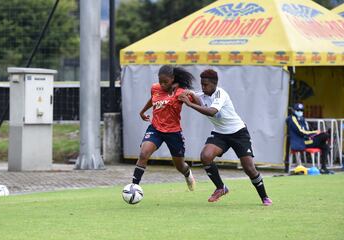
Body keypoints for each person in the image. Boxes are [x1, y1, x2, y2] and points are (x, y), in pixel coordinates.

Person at [178, 69, 272, 206]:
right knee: (205, 156)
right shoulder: (201, 95)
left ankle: (264, 197)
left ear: (214, 84)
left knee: (249, 168)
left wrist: (190, 104)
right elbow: (186, 94)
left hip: (238, 133)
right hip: (220, 134)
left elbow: (212, 112)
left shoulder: (221, 94)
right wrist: (183, 93)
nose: (203, 88)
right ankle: (221, 188)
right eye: (202, 84)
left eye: (206, 85)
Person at [131, 65, 196, 191]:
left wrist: (191, 95)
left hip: (173, 132)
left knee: (179, 166)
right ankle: (134, 186)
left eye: (165, 82)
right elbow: (153, 99)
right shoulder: (155, 88)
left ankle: (187, 173)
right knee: (144, 154)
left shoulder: (180, 92)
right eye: (160, 81)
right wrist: (143, 111)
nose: (162, 84)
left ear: (172, 79)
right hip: (155, 128)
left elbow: (197, 102)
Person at [286, 103, 334, 174]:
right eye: (298, 110)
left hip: (308, 140)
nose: (300, 112)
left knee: (325, 146)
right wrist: (315, 132)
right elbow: (300, 132)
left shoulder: (302, 118)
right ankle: (326, 136)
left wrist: (314, 133)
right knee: (324, 135)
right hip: (301, 142)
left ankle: (323, 168)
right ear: (294, 111)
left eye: (301, 110)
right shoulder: (291, 119)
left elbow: (308, 130)